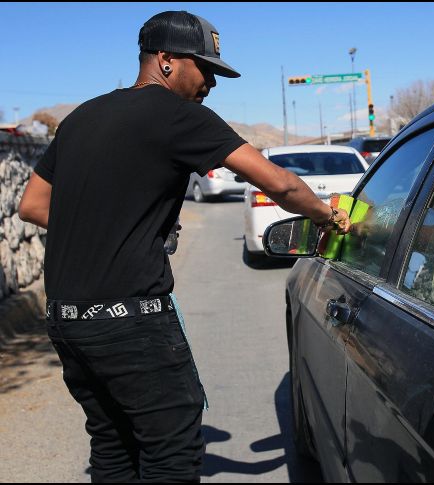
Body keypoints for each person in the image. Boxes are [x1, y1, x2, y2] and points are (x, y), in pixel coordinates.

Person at [17, 10, 350, 483]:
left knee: (112, 446)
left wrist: (109, 225)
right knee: (171, 454)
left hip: (68, 322)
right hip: (131, 321)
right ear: (167, 60)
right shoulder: (177, 115)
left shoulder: (79, 119)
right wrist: (329, 216)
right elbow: (277, 182)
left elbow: (32, 204)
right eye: (206, 69)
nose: (211, 84)